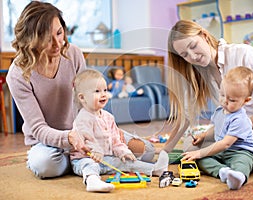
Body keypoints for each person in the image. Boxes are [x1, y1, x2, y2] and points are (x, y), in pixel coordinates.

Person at [6, 1, 154, 179]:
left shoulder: (73, 54)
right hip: (48, 142)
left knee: (148, 152)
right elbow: (38, 128)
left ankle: (80, 161)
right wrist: (70, 137)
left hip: (88, 130)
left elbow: (89, 101)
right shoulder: (17, 75)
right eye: (47, 38)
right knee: (46, 166)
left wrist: (105, 131)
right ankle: (82, 160)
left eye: (59, 33)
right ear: (31, 39)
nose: (57, 44)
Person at [164, 19, 253, 179]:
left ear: (204, 35)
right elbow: (186, 117)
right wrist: (164, 153)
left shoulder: (243, 53)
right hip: (247, 129)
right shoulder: (200, 73)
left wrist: (242, 128)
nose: (192, 56)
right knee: (195, 151)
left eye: (193, 46)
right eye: (184, 55)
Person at [71, 69, 169, 192]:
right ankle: (92, 181)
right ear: (82, 98)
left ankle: (155, 169)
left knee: (126, 162)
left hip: (107, 158)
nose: (103, 94)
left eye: (105, 90)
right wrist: (95, 152)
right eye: (97, 91)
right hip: (85, 158)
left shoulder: (108, 117)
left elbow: (115, 140)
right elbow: (86, 139)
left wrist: (123, 151)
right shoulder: (83, 117)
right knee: (89, 165)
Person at [182, 67, 253, 190]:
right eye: (222, 95)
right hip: (221, 151)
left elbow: (226, 143)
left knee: (242, 163)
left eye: (232, 100)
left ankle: (238, 177)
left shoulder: (240, 119)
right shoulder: (219, 110)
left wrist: (199, 152)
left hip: (240, 152)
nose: (224, 101)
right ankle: (223, 172)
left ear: (246, 101)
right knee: (201, 159)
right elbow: (217, 127)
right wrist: (203, 136)